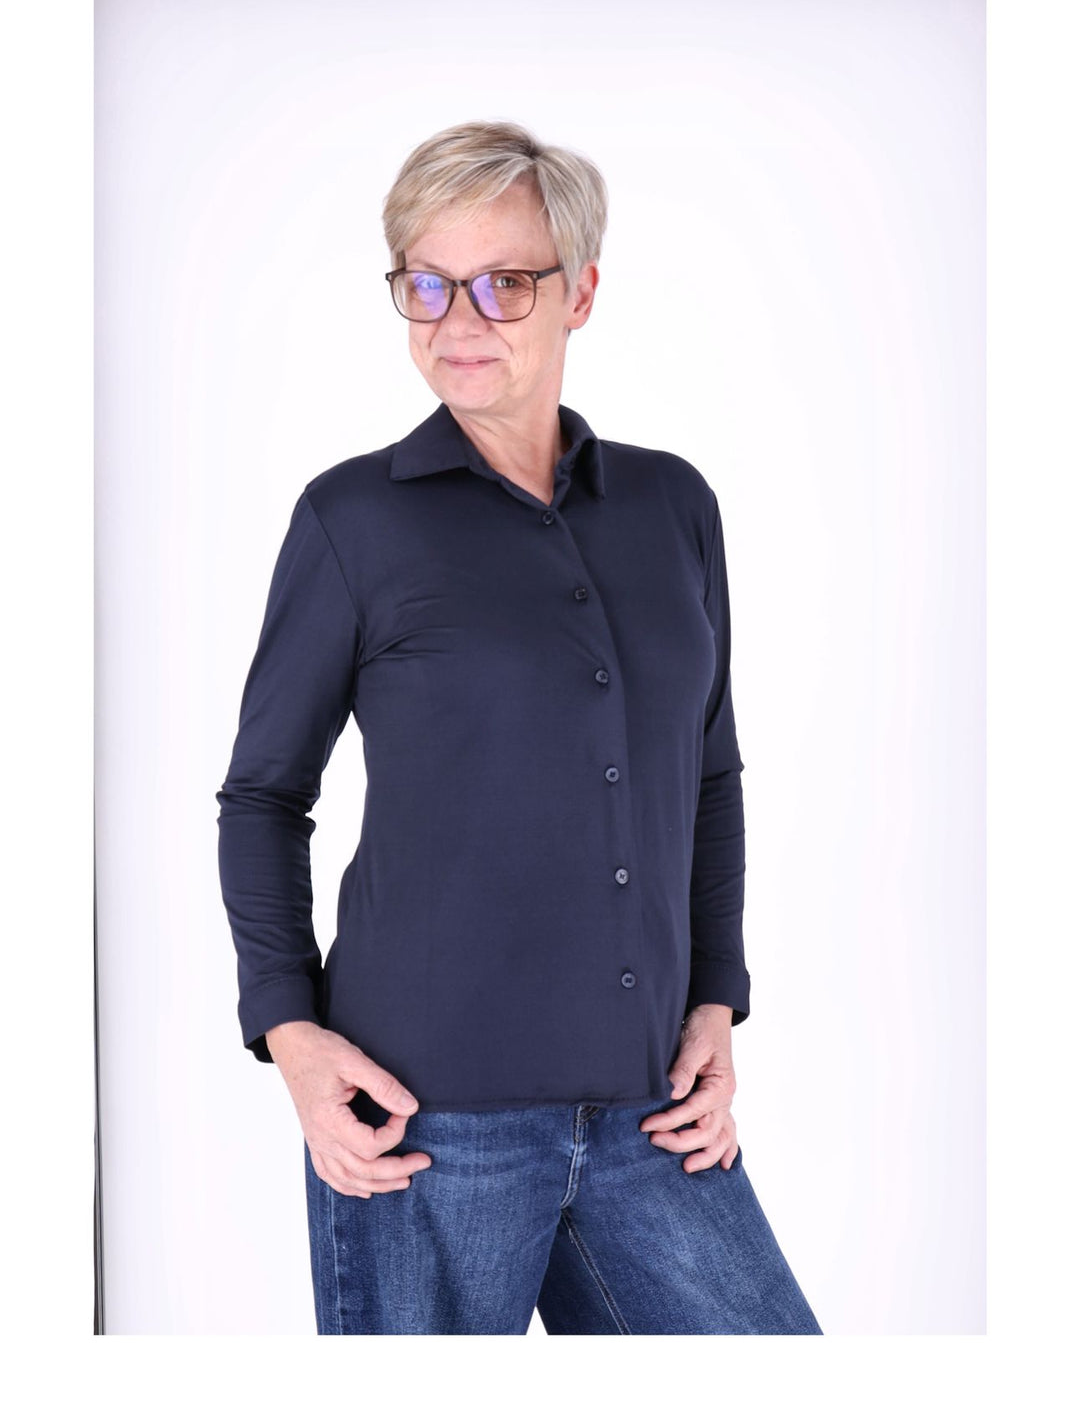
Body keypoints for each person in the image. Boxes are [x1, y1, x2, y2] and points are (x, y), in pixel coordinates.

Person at [216, 119, 823, 1335]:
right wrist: (291, 1034)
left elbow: (709, 773)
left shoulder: (673, 505)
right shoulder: (352, 520)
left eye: (504, 282)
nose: (459, 320)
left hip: (655, 1111)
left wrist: (716, 996)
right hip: (422, 1121)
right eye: (427, 284)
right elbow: (264, 797)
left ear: (581, 292)